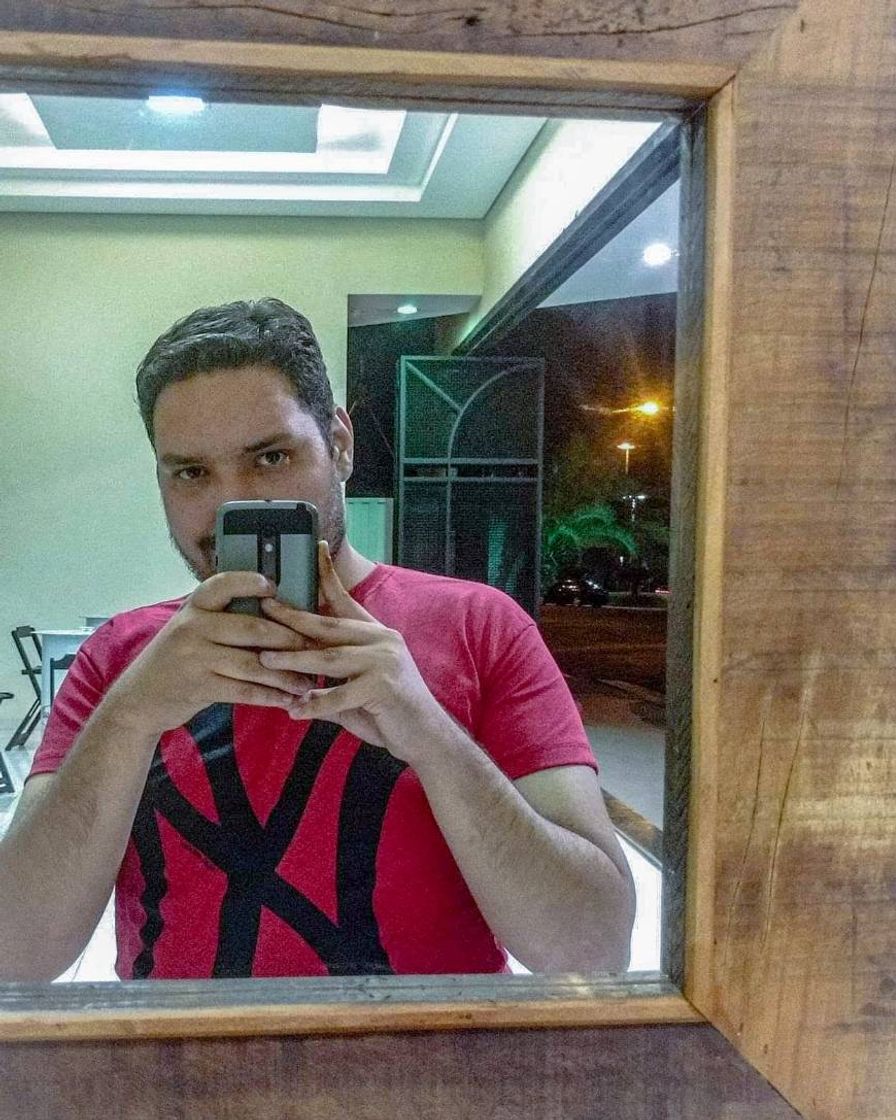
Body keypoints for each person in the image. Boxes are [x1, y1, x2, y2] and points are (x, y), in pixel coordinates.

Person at [0, 298, 635, 980]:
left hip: (435, 1050)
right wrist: (130, 719)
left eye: (270, 457)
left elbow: (594, 950)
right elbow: (16, 958)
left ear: (339, 443)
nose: (233, 502)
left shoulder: (482, 628)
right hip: (177, 1052)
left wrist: (430, 735)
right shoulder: (121, 660)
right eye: (191, 472)